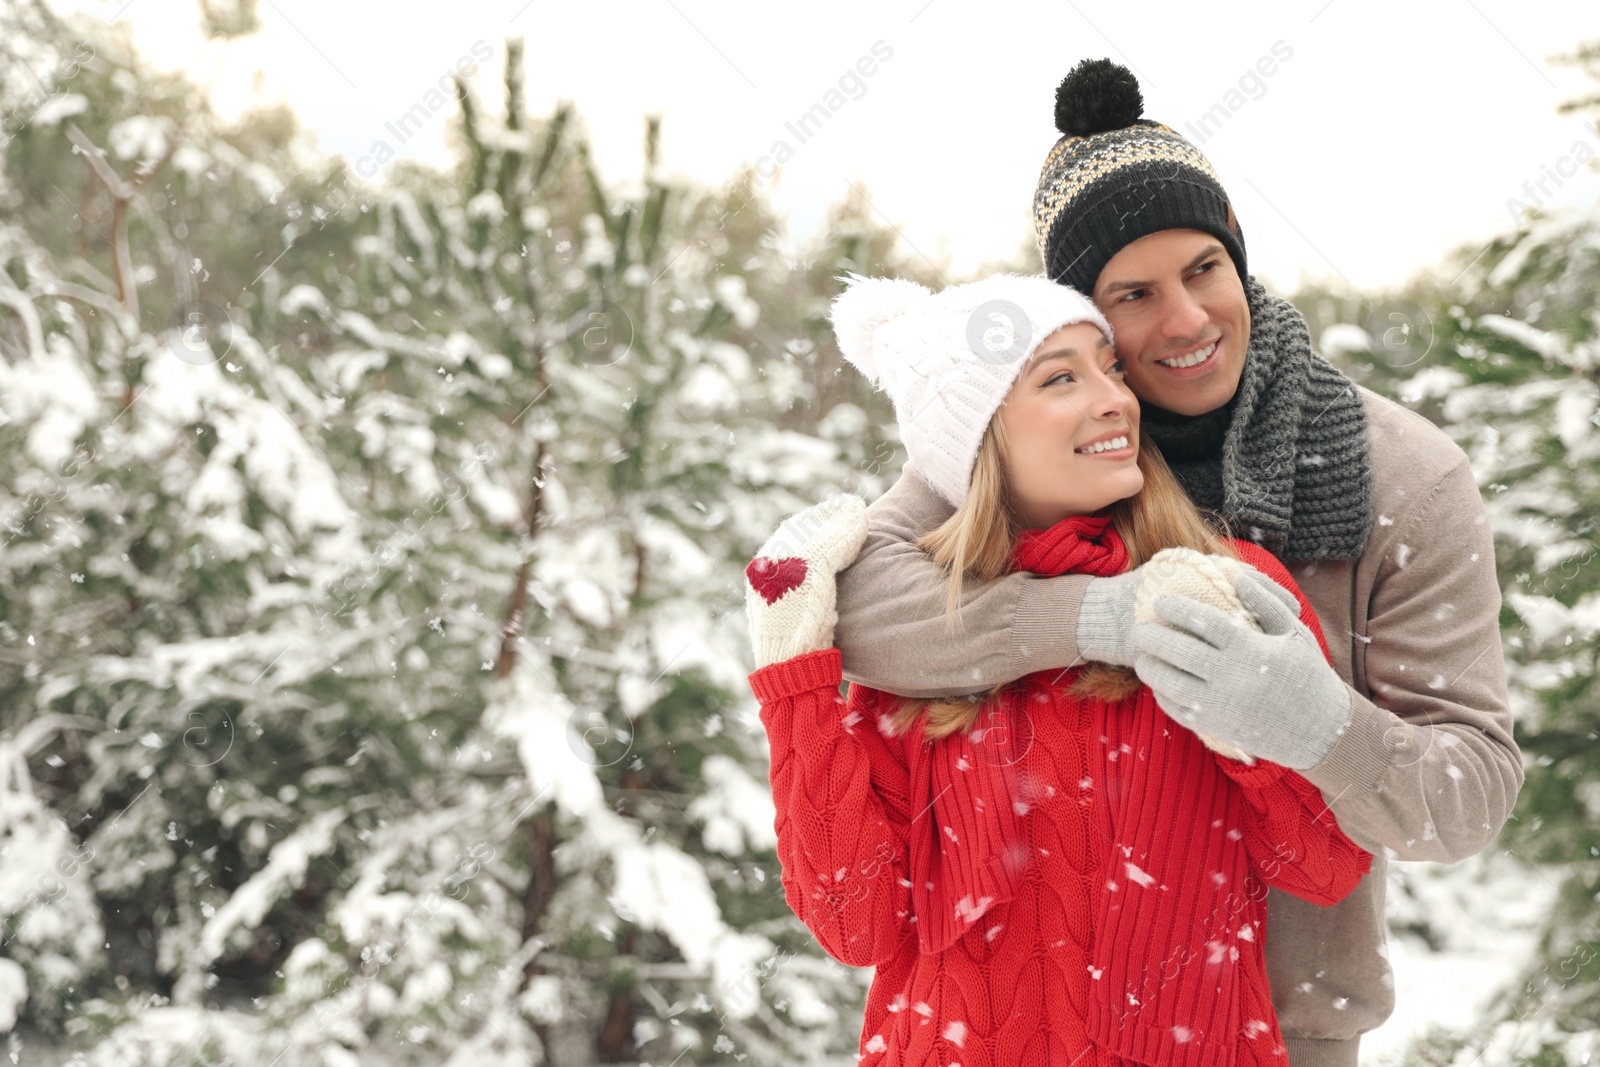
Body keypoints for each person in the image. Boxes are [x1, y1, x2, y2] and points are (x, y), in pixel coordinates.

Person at [828, 59, 1523, 1067]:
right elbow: (866, 606)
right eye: (1133, 294)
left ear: (1238, 255)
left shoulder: (1400, 478)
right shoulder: (1048, 438)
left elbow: (1468, 791)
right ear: (1082, 311)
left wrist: (1313, 723)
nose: (1187, 319)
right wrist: (1102, 616)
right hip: (1034, 1012)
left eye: (1203, 268)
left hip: (1283, 1025)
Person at [744, 271, 1372, 1066]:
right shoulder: (916, 638)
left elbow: (1325, 866)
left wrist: (1238, 712)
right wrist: (793, 678)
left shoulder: (1225, 585)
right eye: (1062, 377)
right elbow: (853, 920)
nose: (1116, 397)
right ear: (978, 435)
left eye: (1109, 367)